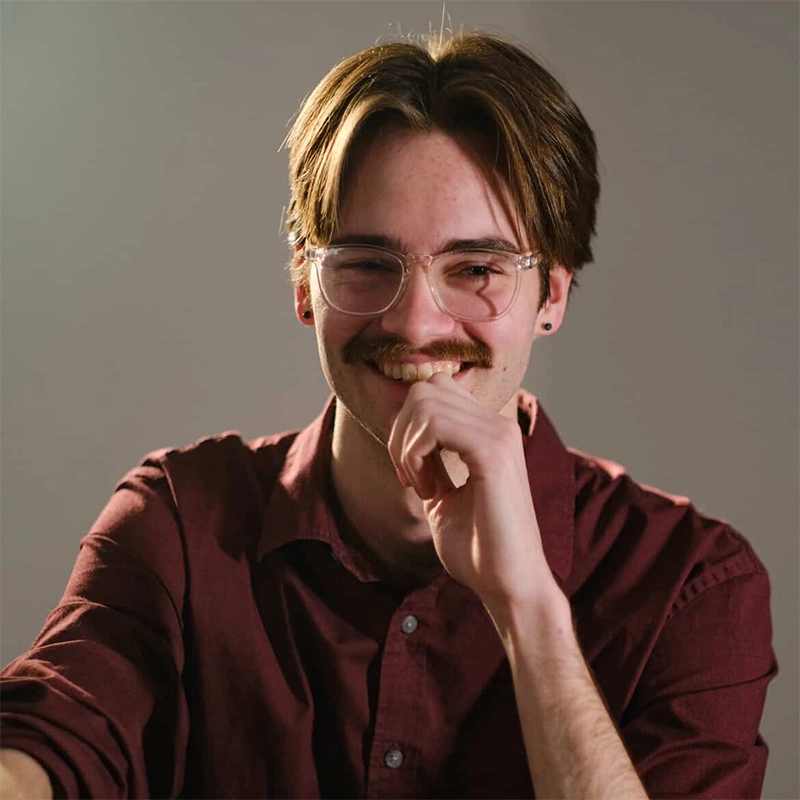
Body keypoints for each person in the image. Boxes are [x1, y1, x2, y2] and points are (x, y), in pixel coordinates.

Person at [0, 30, 776, 800]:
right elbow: (51, 743)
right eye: (368, 265)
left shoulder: (693, 584)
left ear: (555, 296)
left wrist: (529, 609)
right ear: (305, 288)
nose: (413, 324)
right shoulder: (178, 522)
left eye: (475, 269)